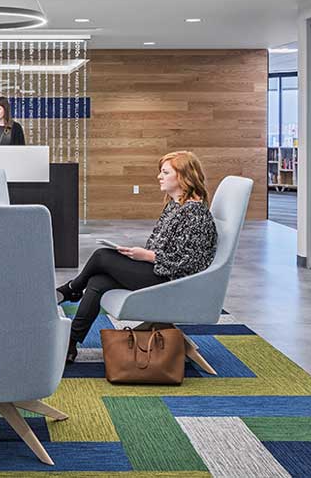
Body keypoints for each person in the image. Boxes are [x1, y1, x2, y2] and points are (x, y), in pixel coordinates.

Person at [56, 150, 218, 363]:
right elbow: (161, 248)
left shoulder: (195, 213)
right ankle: (71, 343)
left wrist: (149, 256)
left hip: (173, 281)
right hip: (159, 271)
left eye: (165, 172)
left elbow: (189, 263)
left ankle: (70, 289)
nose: (159, 176)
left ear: (184, 177)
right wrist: (138, 255)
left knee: (102, 256)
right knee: (98, 281)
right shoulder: (175, 206)